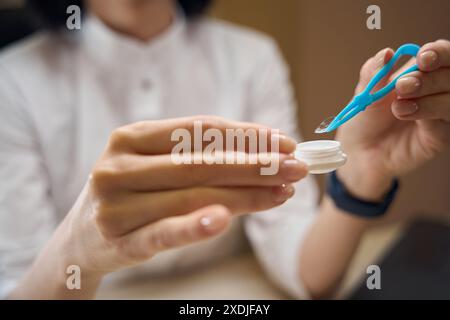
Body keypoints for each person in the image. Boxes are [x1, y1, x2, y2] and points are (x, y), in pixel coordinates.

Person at [0, 0, 449, 299]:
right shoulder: (15, 80)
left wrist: (364, 172)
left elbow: (307, 271)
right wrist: (77, 251)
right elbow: (18, 284)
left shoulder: (250, 58)